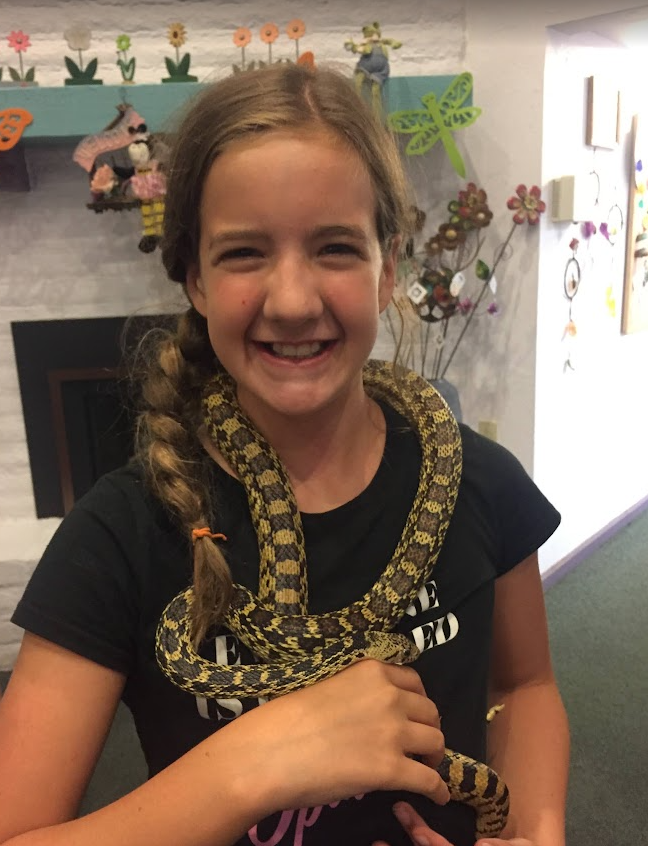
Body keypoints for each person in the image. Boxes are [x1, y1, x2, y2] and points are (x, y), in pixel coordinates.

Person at [0, 64, 568, 846]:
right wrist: (252, 764)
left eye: (336, 247)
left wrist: (535, 828)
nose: (294, 301)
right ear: (196, 279)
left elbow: (525, 686)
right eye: (244, 253)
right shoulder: (118, 539)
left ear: (387, 268)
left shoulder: (483, 483)